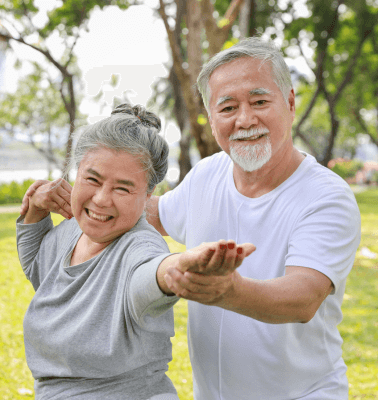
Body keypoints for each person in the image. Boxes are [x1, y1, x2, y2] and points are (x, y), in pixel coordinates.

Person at [145, 38, 361, 399]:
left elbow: (303, 297)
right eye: (227, 107)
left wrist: (228, 290)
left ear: (290, 103)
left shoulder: (326, 195)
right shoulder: (208, 174)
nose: (245, 119)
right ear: (211, 118)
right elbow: (154, 215)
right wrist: (84, 197)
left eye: (260, 102)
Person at [16, 104, 255, 400]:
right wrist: (35, 211)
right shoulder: (72, 230)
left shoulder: (139, 245)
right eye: (92, 179)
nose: (102, 199)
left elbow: (149, 274)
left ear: (148, 195)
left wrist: (180, 266)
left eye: (123, 188)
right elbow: (39, 268)